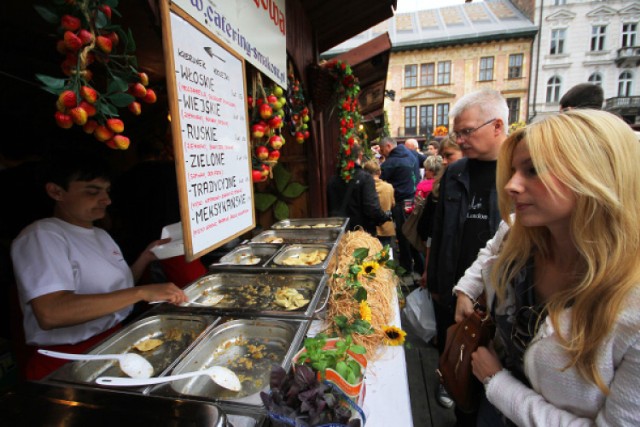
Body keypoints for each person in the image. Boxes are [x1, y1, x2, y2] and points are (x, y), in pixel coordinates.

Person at [453, 109, 640, 426]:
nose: (511, 185)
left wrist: (498, 383)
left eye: (534, 170)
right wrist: (465, 290)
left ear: (595, 175)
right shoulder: (521, 236)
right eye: (513, 170)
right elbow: (490, 252)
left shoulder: (631, 305)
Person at [10, 150, 188, 380]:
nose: (107, 200)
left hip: (113, 346)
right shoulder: (42, 236)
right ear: (56, 191)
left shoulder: (100, 234)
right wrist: (142, 292)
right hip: (67, 362)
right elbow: (51, 312)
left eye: (107, 191)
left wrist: (145, 258)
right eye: (93, 192)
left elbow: (116, 292)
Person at [426, 88, 507, 417]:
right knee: (456, 359)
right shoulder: (455, 173)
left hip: (497, 298)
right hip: (453, 288)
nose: (459, 140)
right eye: (456, 132)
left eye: (466, 131)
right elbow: (441, 228)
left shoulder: (518, 172)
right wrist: (433, 276)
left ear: (498, 126)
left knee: (491, 372)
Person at [378, 136, 421, 281]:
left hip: (401, 202)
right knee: (413, 233)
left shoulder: (390, 163)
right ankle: (419, 266)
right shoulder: (412, 155)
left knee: (403, 236)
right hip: (413, 200)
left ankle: (406, 268)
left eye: (383, 150)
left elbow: (380, 180)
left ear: (389, 146)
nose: (382, 153)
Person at [327, 144, 391, 234]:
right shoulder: (365, 178)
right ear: (360, 156)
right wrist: (384, 216)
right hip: (361, 234)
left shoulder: (332, 179)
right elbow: (371, 209)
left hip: (339, 233)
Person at [362, 159, 396, 256]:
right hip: (386, 227)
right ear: (379, 172)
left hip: (369, 228)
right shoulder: (389, 187)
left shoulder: (364, 188)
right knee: (386, 257)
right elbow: (393, 204)